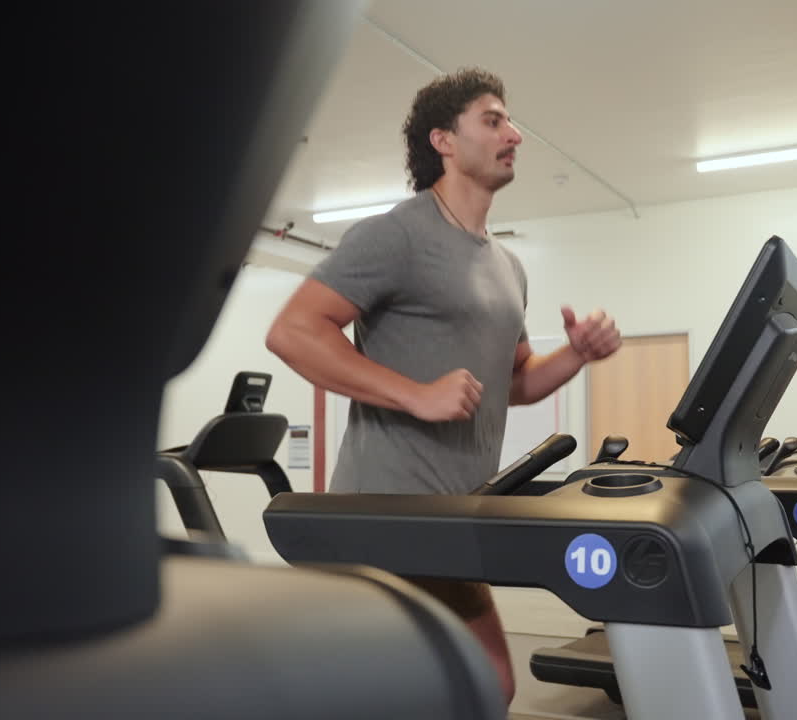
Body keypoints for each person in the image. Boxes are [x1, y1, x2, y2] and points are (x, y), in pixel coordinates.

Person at [266, 67, 621, 705]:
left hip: (455, 514)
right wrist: (412, 392)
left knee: (485, 686)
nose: (514, 133)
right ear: (443, 141)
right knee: (455, 686)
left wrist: (575, 354)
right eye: (493, 119)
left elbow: (513, 383)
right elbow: (293, 331)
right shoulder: (395, 234)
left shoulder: (507, 267)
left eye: (511, 120)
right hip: (387, 514)